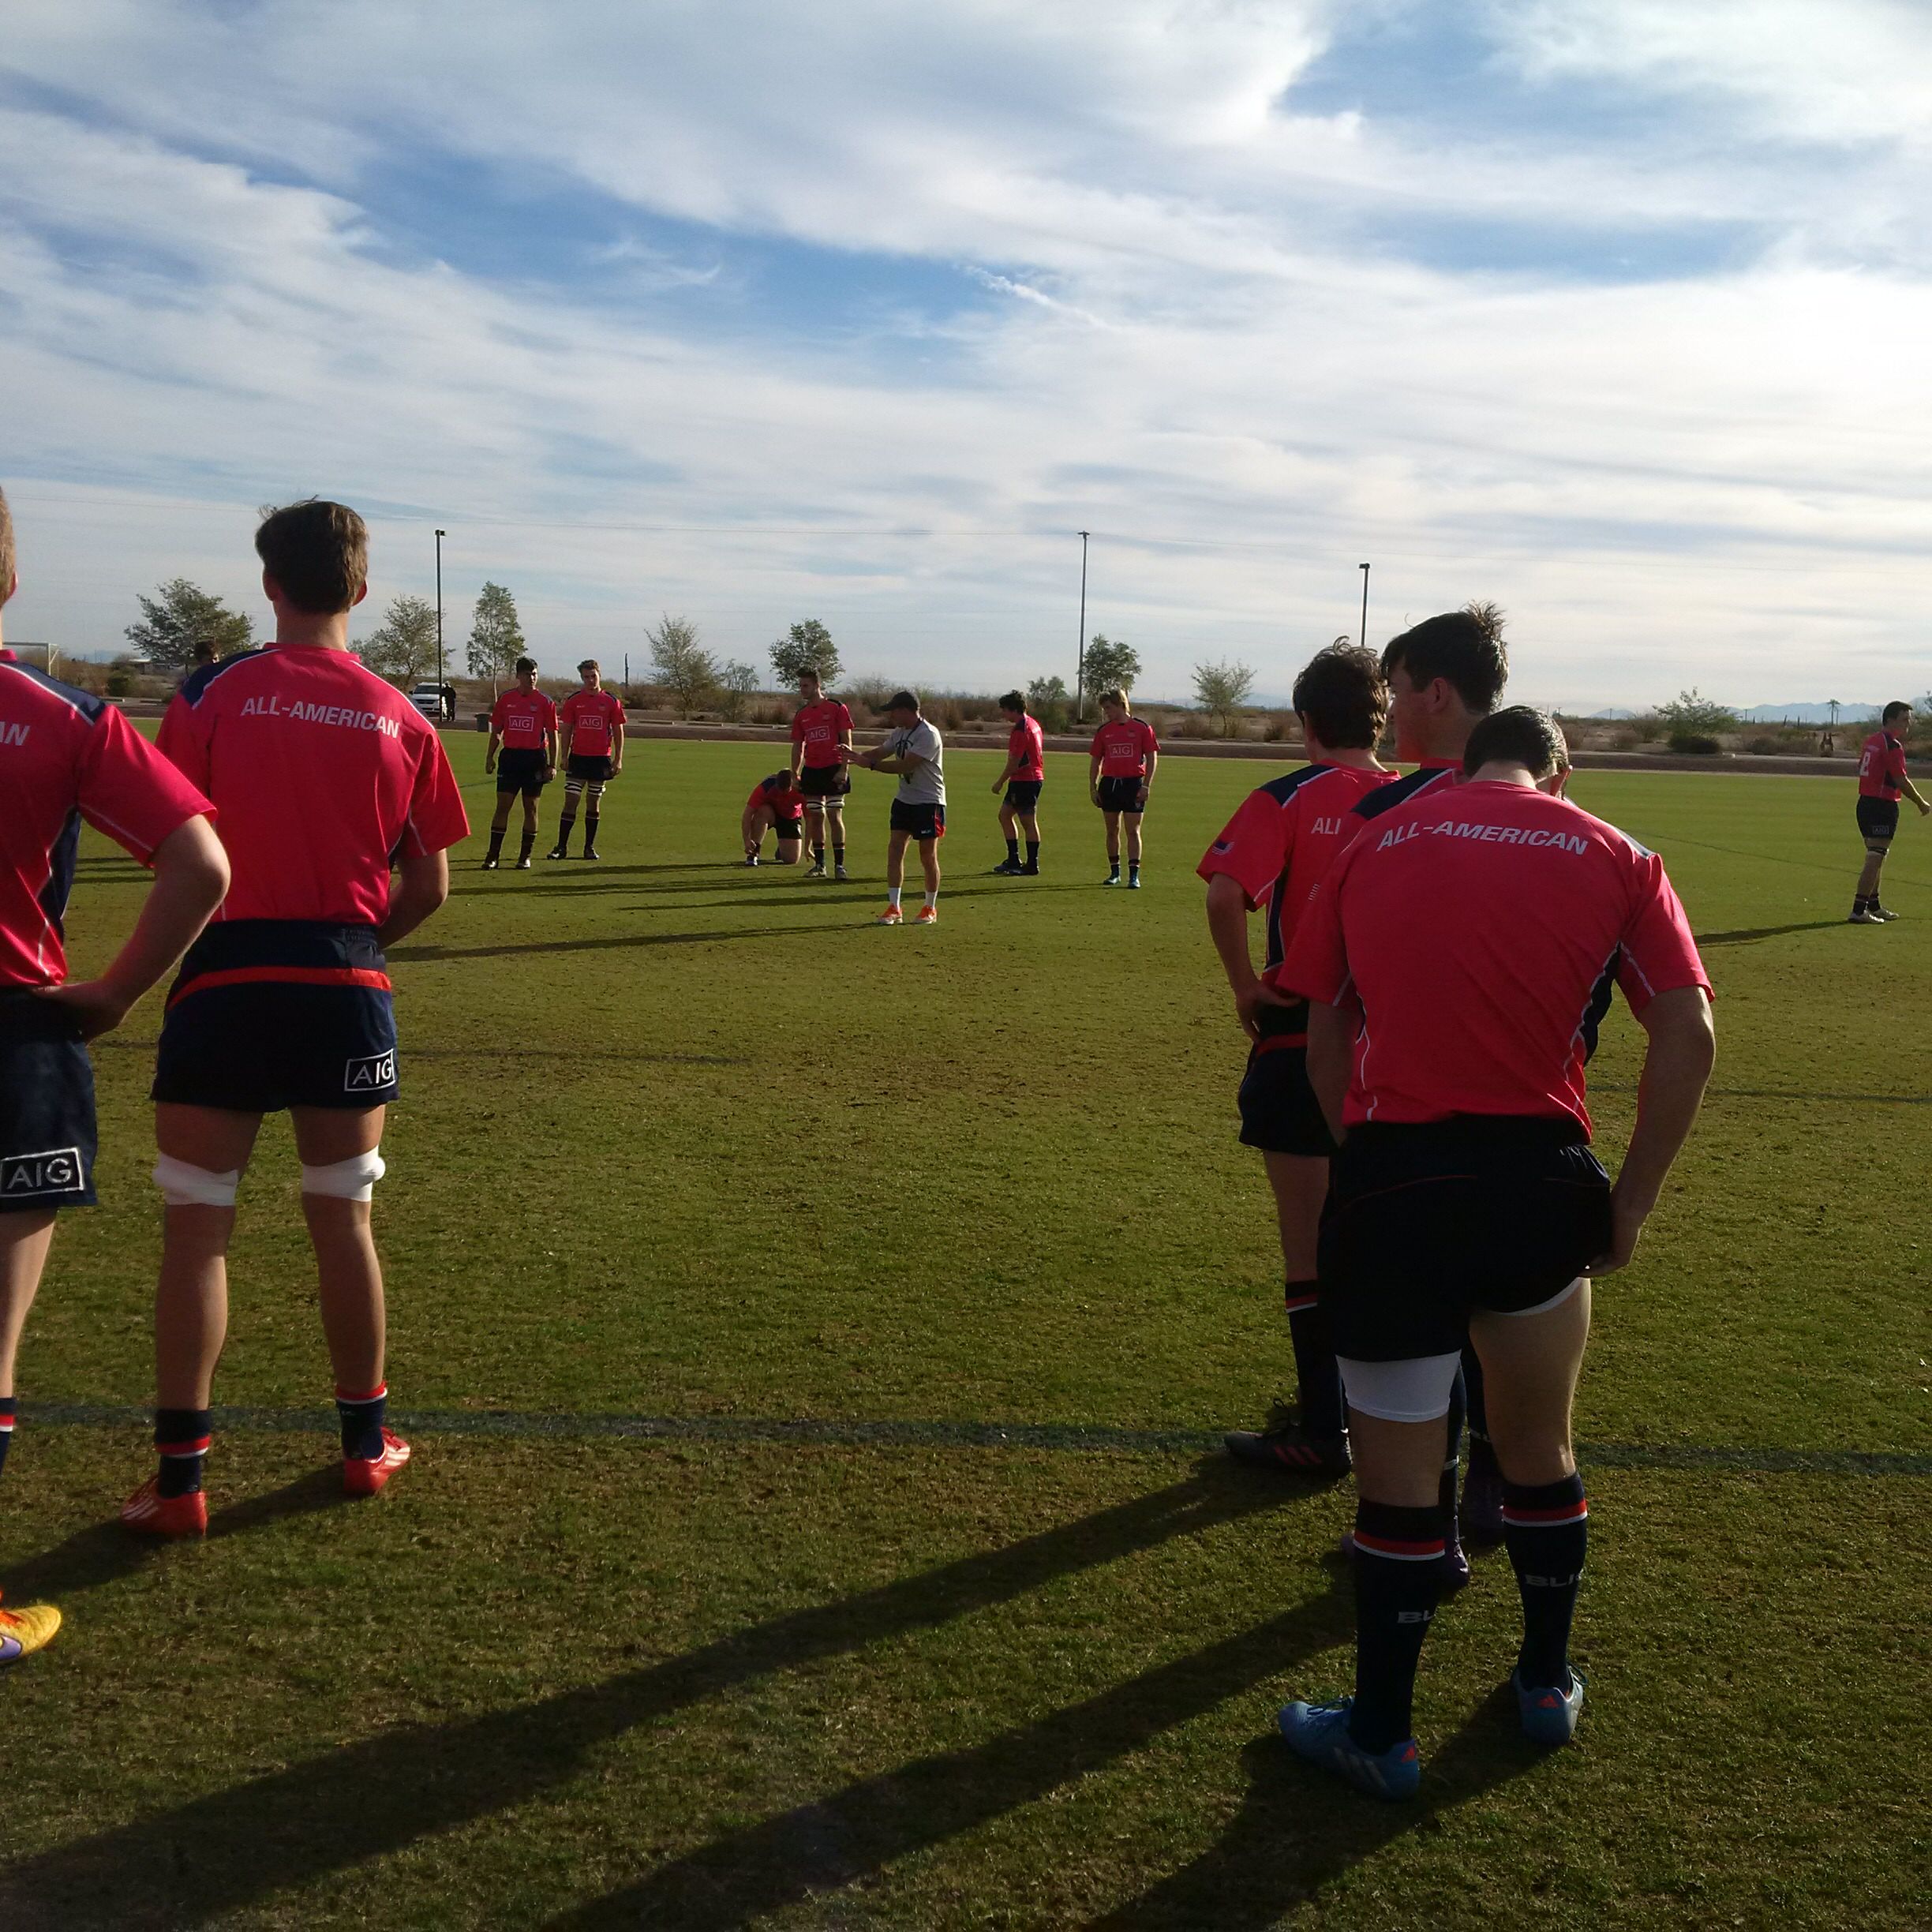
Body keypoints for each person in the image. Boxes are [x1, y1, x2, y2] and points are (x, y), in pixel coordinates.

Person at [1275, 707, 1713, 1798]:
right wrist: (1634, 1202)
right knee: (1539, 1448)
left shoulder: (1375, 837)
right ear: (1557, 773)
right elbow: (1690, 1034)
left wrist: (1361, 1157)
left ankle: (1381, 1735)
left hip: (1394, 1183)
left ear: (1464, 764)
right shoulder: (1615, 849)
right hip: (1539, 1185)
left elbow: (1324, 1032)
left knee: (1399, 1487)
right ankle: (1544, 1682)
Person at [122, 499, 470, 1538]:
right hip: (346, 987)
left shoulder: (208, 695)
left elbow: (175, 850)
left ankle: (180, 1481)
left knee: (196, 1228)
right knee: (343, 1219)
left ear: (269, 585)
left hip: (224, 977)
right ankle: (367, 1449)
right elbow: (432, 883)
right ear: (361, 591)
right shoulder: (404, 717)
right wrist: (354, 948)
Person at [0, 485, 230, 1660]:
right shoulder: (59, 716)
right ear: (11, 576)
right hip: (15, 1035)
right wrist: (115, 994)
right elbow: (202, 864)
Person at [1200, 645, 1395, 1478]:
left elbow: (1222, 892)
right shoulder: (1423, 802)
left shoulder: (1285, 797)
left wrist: (1246, 984)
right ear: (1382, 718)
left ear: (1307, 721)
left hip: (1297, 1039)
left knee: (1309, 1243)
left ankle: (1324, 1430)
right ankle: (1391, 1409)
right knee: (1391, 1232)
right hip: (1396, 1052)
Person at [846, 690, 944, 925]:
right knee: (895, 849)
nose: (891, 716)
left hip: (929, 801)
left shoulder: (928, 734)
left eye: (893, 711)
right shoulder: (899, 732)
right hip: (904, 800)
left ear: (905, 710)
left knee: (927, 856)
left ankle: (930, 907)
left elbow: (905, 766)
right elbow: (882, 752)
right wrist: (855, 756)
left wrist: (870, 765)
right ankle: (894, 907)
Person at [1850, 702, 1928, 923]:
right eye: (1905, 719)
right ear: (1891, 719)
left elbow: (1861, 768)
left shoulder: (1871, 741)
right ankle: (1858, 909)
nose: (1908, 723)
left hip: (1865, 803)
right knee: (1875, 858)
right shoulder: (1892, 746)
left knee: (1877, 855)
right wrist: (1921, 803)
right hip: (1881, 805)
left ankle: (1874, 905)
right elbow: (1901, 780)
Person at [481, 657, 557, 870]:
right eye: (527, 674)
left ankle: (525, 856)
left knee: (531, 808)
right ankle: (492, 855)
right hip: (510, 759)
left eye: (534, 674)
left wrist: (552, 765)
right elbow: (496, 732)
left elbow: (553, 734)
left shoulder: (545, 702)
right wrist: (490, 757)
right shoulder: (506, 700)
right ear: (518, 676)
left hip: (534, 759)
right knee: (502, 806)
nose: (531, 678)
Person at [549, 659, 624, 860]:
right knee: (571, 801)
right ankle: (561, 847)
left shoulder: (611, 701)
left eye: (593, 676)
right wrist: (564, 756)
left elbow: (618, 731)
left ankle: (589, 848)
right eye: (586, 677)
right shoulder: (574, 701)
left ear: (599, 674)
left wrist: (618, 759)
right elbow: (566, 730)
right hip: (578, 758)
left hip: (600, 759)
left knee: (593, 803)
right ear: (582, 678)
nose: (590, 680)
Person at [1088, 691, 1158, 886]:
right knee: (1112, 830)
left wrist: (1146, 785)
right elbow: (1096, 760)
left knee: (1133, 831)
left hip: (1133, 784)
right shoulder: (1104, 731)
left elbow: (1152, 758)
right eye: (1104, 709)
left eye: (1109, 708)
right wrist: (1093, 787)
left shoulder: (1142, 728)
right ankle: (1114, 873)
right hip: (1110, 784)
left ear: (1120, 705)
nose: (1106, 712)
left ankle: (1134, 875)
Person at [790, 669, 854, 880]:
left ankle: (840, 866)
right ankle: (820, 866)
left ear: (817, 685)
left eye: (805, 685)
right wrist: (795, 774)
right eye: (800, 686)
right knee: (816, 817)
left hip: (834, 767)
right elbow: (798, 746)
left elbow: (847, 739)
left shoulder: (837, 708)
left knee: (835, 816)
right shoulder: (802, 714)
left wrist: (844, 768)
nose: (802, 689)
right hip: (812, 770)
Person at [990, 691, 1046, 875]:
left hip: (1026, 780)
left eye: (1005, 711)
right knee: (1005, 815)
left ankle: (1032, 864)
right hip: (1026, 779)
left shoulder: (1021, 729)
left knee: (1028, 822)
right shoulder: (1033, 723)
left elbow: (1015, 761)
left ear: (1012, 709)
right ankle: (1013, 859)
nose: (1003, 715)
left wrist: (999, 782)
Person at [743, 770, 806, 865]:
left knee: (791, 860)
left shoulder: (802, 789)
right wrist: (747, 840)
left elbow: (810, 819)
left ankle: (782, 848)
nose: (782, 793)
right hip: (770, 812)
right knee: (763, 811)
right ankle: (753, 853)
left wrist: (808, 845)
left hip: (790, 816)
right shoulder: (766, 787)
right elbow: (748, 813)